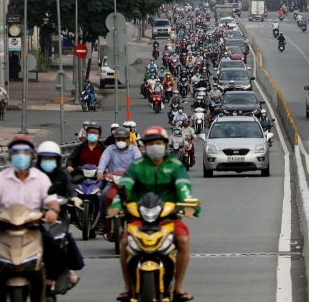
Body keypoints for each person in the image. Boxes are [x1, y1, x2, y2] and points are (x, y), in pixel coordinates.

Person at [107, 127, 200, 302]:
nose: (154, 146)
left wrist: (189, 205)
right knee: (125, 242)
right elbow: (124, 186)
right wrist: (117, 204)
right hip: (139, 219)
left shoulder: (176, 166)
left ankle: (178, 287)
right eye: (150, 143)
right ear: (145, 146)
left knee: (183, 240)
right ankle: (128, 287)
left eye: (158, 143)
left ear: (165, 145)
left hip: (169, 218)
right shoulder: (136, 166)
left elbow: (184, 188)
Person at [0, 136, 62, 302]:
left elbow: (52, 201)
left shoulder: (40, 178)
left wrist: (52, 211)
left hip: (32, 227)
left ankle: (49, 288)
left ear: (32, 156)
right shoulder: (1, 177)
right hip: (3, 227)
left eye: (25, 153)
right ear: (10, 156)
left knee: (53, 248)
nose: (21, 156)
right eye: (16, 152)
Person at [35, 141, 84, 286]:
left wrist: (74, 197)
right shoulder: (34, 175)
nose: (48, 162)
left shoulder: (63, 175)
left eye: (51, 158)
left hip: (59, 215)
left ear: (57, 160)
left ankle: (70, 268)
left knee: (67, 237)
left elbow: (70, 187)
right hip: (36, 216)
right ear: (39, 159)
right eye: (45, 158)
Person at [96, 128, 142, 235]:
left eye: (123, 139)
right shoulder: (109, 149)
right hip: (113, 182)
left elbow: (139, 164)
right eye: (118, 139)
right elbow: (103, 161)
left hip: (130, 183)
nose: (121, 141)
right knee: (103, 195)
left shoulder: (134, 150)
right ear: (115, 140)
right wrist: (100, 172)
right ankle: (103, 224)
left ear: (128, 140)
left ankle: (138, 222)